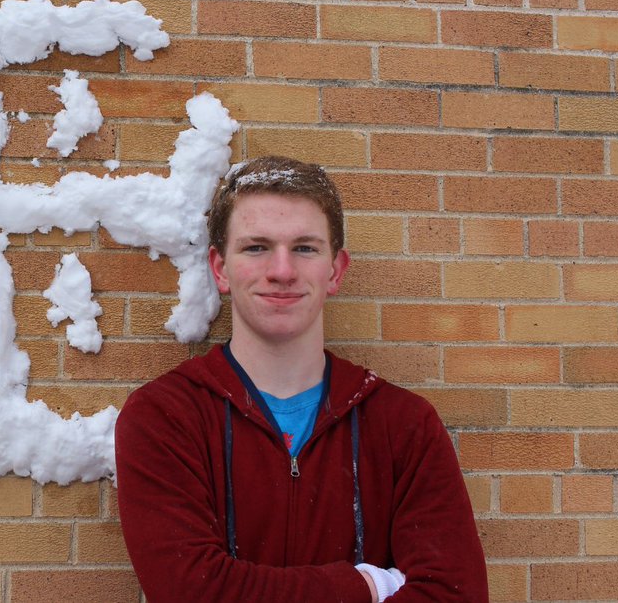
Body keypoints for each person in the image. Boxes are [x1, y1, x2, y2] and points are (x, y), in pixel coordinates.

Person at [114, 156, 488, 602]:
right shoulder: (165, 418)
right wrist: (366, 586)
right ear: (220, 269)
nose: (283, 271)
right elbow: (194, 592)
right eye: (256, 247)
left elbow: (455, 594)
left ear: (336, 270)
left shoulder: (404, 427)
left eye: (305, 248)